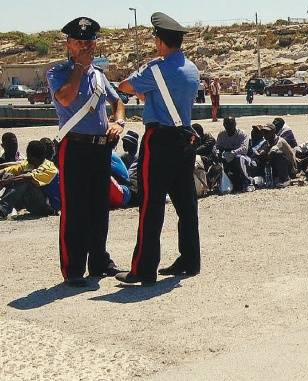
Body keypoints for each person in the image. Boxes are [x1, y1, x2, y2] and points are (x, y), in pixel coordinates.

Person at [116, 12, 201, 285]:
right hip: (185, 139)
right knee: (186, 204)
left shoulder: (155, 69)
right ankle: (190, 259)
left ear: (160, 41)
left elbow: (125, 86)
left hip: (160, 140)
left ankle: (143, 268)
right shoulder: (192, 68)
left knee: (151, 205)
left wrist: (147, 82)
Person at [47, 17, 125, 287]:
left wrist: (119, 121)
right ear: (69, 45)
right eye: (79, 42)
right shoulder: (58, 72)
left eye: (89, 42)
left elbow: (118, 103)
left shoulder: (100, 77)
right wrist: (80, 68)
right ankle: (74, 268)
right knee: (75, 209)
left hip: (100, 149)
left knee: (99, 208)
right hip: (75, 147)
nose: (85, 46)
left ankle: (99, 261)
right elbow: (66, 98)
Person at [0, 140, 59, 218]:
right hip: (33, 202)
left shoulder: (49, 168)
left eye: (28, 154)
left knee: (24, 180)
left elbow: (27, 177)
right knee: (9, 175)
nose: (26, 157)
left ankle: (2, 209)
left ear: (32, 156)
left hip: (48, 206)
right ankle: (6, 208)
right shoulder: (29, 164)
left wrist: (6, 182)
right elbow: (12, 169)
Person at [214, 116, 253, 192]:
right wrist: (217, 153)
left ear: (235, 124)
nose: (228, 126)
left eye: (231, 124)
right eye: (226, 124)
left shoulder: (242, 134)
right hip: (225, 158)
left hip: (242, 158)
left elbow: (244, 149)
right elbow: (216, 147)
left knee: (239, 158)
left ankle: (248, 183)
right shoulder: (221, 135)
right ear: (224, 125)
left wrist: (233, 153)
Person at [251, 123, 296, 188]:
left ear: (273, 132)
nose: (264, 134)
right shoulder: (267, 142)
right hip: (278, 166)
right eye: (263, 132)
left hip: (290, 167)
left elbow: (273, 151)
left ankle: (285, 179)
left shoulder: (280, 141)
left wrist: (294, 169)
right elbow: (260, 152)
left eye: (267, 132)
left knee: (277, 154)